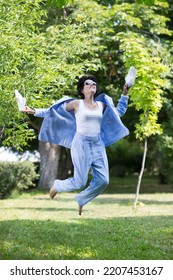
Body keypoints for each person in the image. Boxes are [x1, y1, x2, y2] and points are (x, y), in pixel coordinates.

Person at [22, 75, 130, 215]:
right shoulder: (76, 104)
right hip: (81, 144)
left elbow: (119, 112)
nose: (92, 84)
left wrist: (125, 94)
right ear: (82, 89)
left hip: (97, 144)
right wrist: (34, 111)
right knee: (80, 182)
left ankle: (81, 199)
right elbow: (53, 112)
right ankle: (58, 185)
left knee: (104, 180)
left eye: (94, 83)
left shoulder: (102, 105)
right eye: (88, 83)